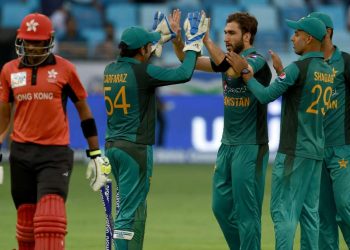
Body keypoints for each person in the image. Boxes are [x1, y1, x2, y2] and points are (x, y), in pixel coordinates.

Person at [0, 13, 111, 250]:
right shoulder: (9, 71)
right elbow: (3, 117)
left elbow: (84, 112)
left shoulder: (65, 69)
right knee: (26, 226)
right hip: (20, 154)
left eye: (37, 42)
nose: (32, 47)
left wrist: (95, 154)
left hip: (55, 155)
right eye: (28, 41)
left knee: (50, 222)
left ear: (49, 40)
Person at [103, 11, 208, 250]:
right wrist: (192, 46)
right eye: (148, 46)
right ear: (141, 51)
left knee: (134, 205)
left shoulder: (111, 69)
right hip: (135, 148)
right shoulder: (143, 73)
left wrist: (161, 38)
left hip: (113, 146)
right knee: (128, 211)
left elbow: (138, 57)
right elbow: (184, 74)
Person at [226, 17, 332, 249]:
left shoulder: (298, 68)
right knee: (309, 214)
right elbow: (300, 95)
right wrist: (282, 72)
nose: (292, 38)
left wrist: (247, 74)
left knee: (283, 212)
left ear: (308, 38)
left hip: (293, 151)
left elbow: (265, 96)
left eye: (297, 34)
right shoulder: (327, 70)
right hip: (316, 151)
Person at [171, 11, 272, 249]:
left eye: (231, 33)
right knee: (220, 207)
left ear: (246, 36)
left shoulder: (256, 59)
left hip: (250, 146)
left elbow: (236, 70)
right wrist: (178, 41)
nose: (226, 37)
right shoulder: (224, 61)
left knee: (248, 214)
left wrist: (205, 40)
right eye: (224, 32)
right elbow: (189, 62)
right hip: (226, 146)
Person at [305, 12, 350, 249]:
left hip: (343, 148)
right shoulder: (307, 65)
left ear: (328, 33)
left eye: (310, 31)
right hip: (315, 151)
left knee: (345, 205)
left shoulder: (346, 61)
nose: (304, 35)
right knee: (323, 214)